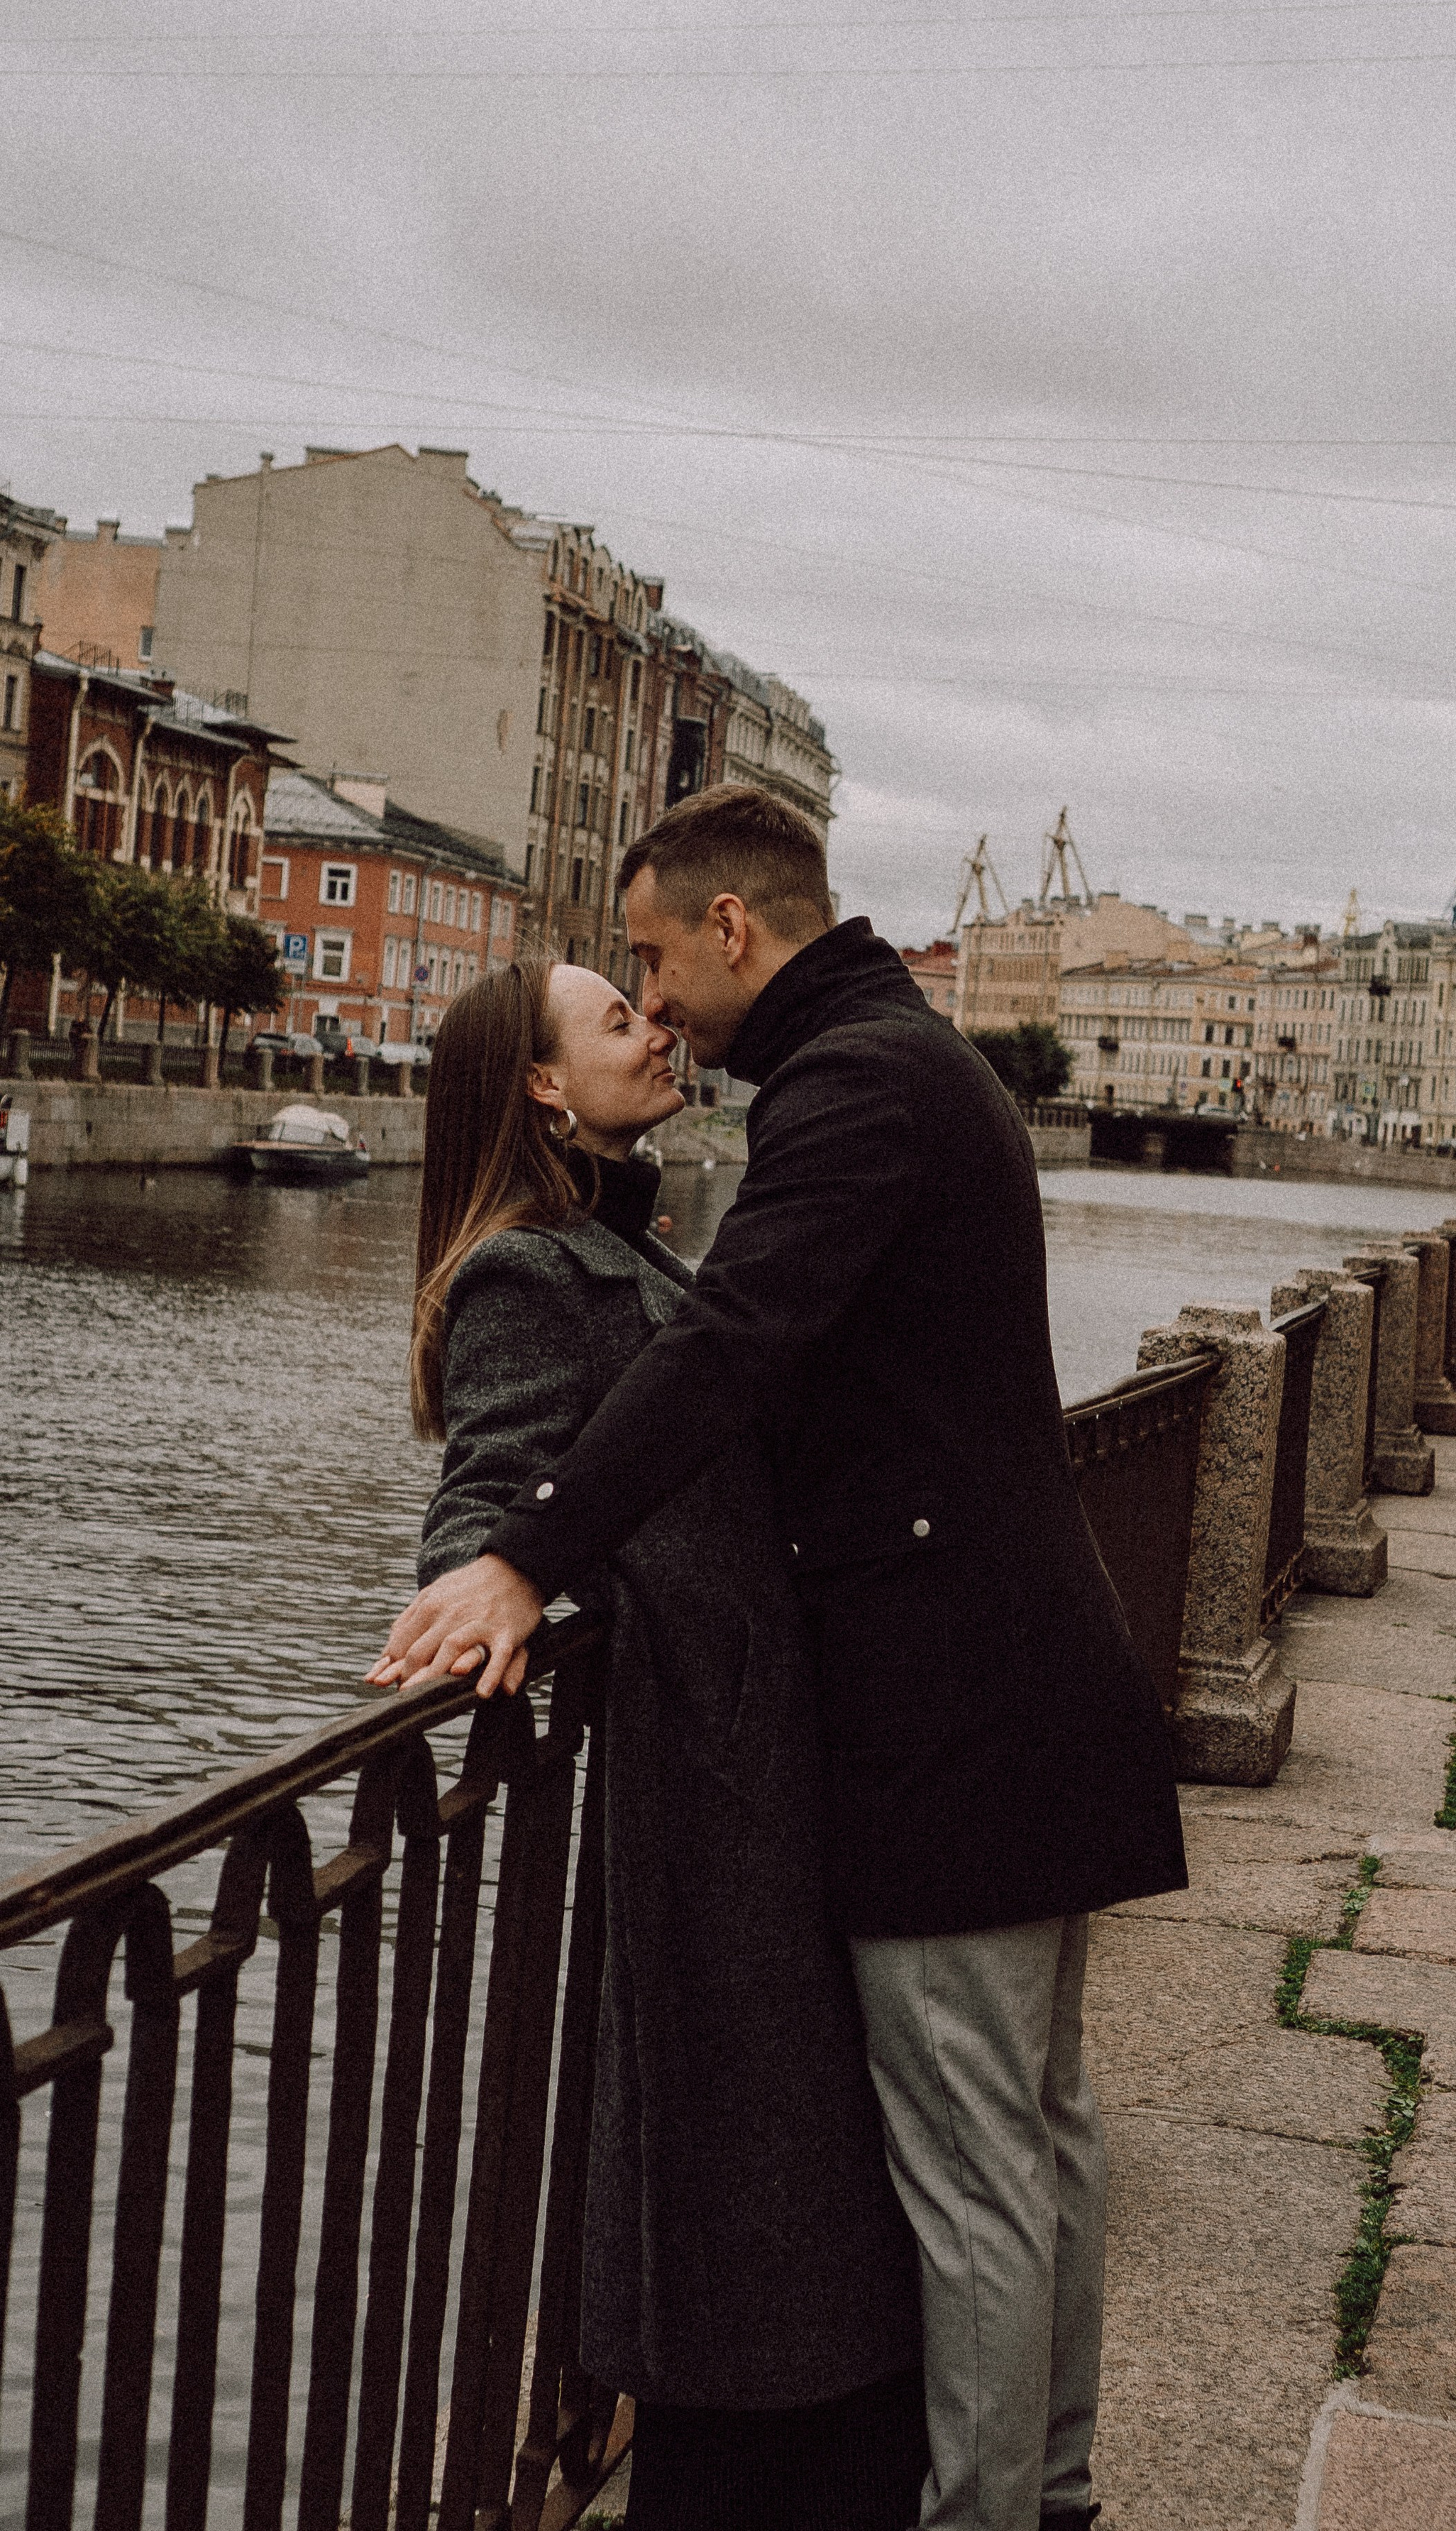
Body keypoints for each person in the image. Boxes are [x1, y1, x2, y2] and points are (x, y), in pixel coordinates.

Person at [377, 784, 1188, 2531]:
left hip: (950, 1717)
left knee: (985, 2163)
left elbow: (735, 1343)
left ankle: (996, 2511)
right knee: (1040, 2139)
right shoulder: (902, 1061)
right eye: (623, 997)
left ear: (732, 929)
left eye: (656, 962)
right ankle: (1048, 2489)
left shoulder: (850, 1085)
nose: (656, 1005)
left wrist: (532, 1555)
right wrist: (506, 1540)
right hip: (1021, 1688)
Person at [392, 955, 926, 2531]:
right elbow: (492, 1476)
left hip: (761, 1755)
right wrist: (478, 1581)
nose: (657, 1030)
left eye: (647, 1005)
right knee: (738, 2177)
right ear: (544, 1088)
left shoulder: (632, 1247)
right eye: (615, 1021)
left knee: (782, 2174)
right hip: (704, 1777)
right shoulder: (523, 1274)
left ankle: (801, 2462)